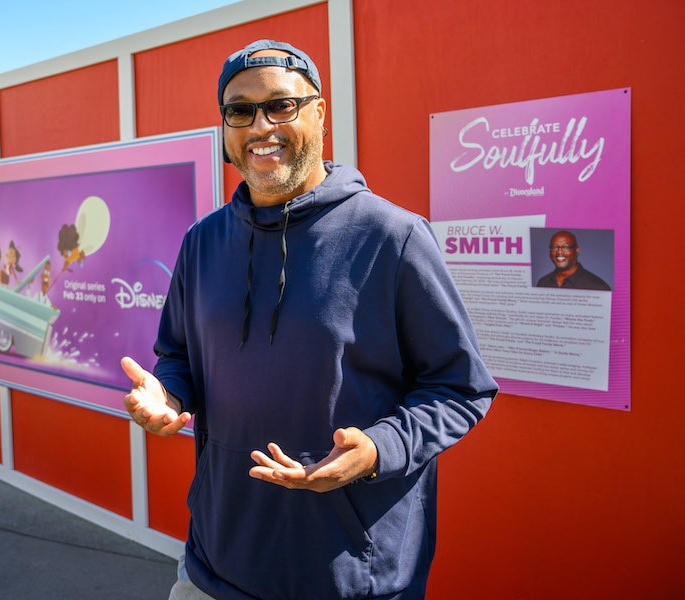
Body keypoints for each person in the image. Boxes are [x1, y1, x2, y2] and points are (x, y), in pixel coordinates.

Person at [121, 39, 498, 600]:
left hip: (351, 579)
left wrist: (379, 449)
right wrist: (170, 395)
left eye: (281, 105)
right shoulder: (202, 242)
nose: (260, 126)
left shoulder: (393, 238)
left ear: (320, 113)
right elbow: (178, 356)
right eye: (240, 110)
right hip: (213, 568)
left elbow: (460, 388)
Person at [535, 230, 611, 290]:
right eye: (554, 247)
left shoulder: (598, 287)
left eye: (566, 247)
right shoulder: (543, 283)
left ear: (577, 250)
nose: (559, 252)